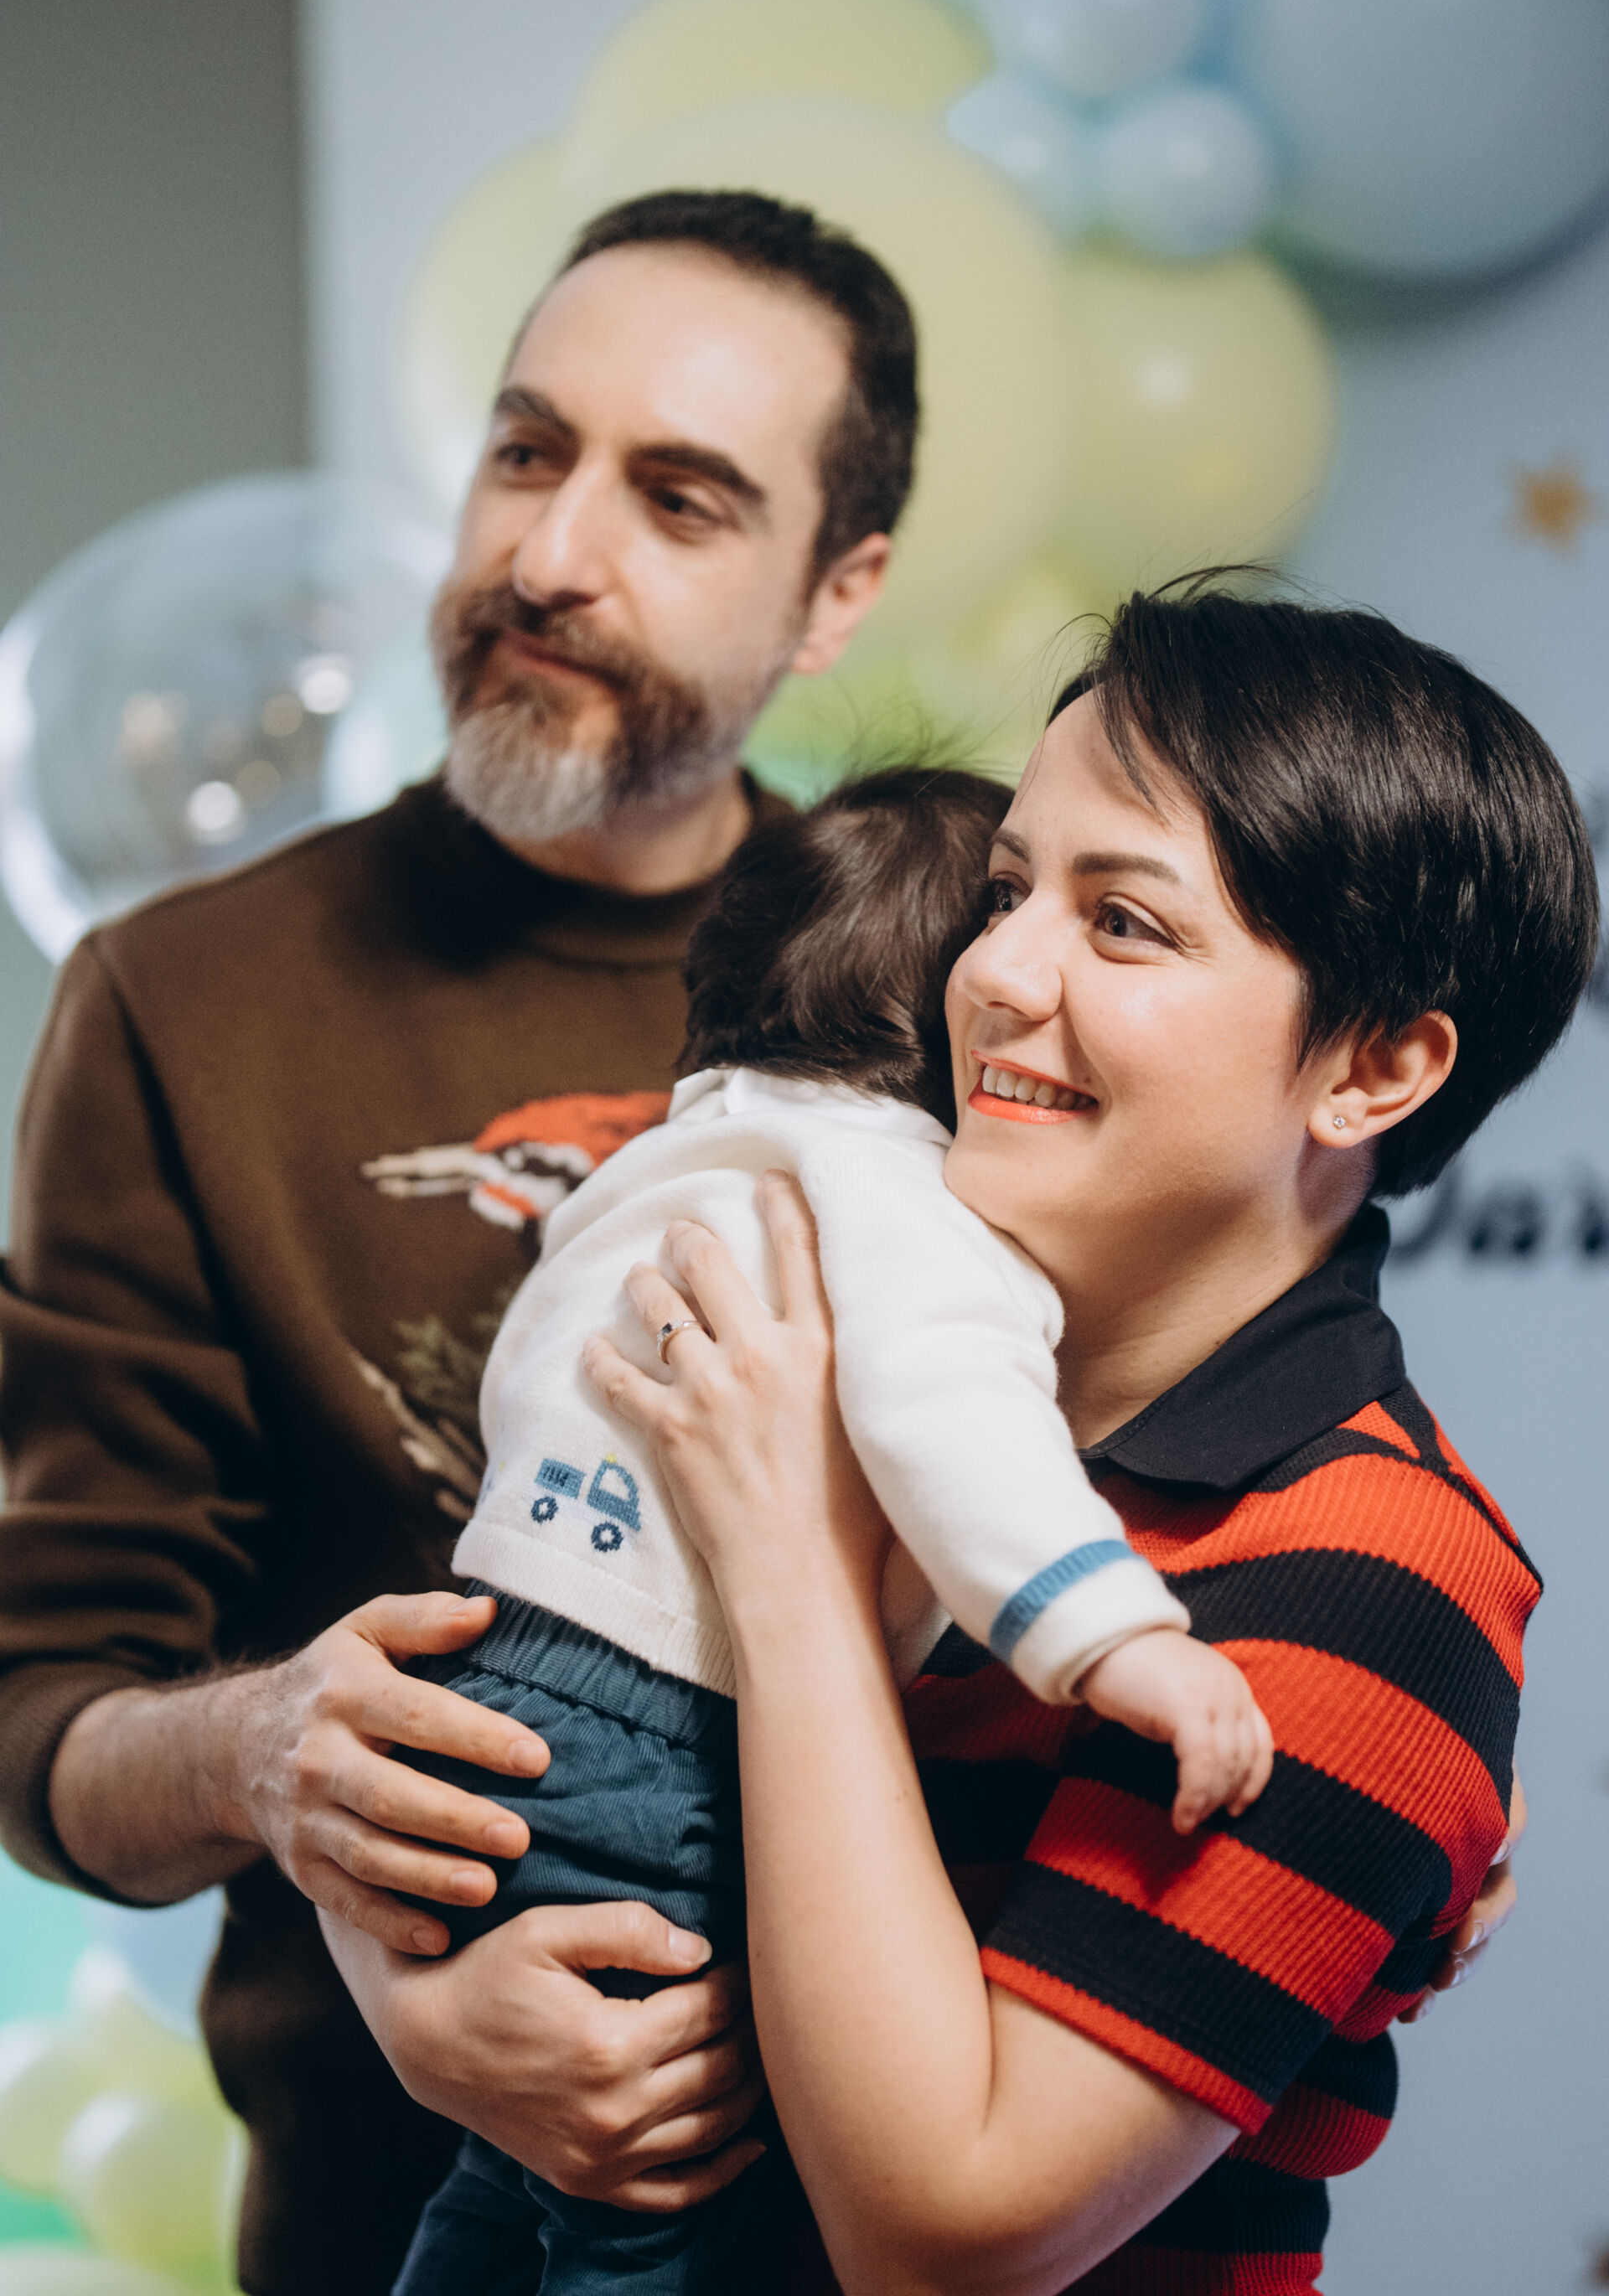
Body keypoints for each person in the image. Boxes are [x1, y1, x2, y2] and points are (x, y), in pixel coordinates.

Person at [0, 188, 915, 2296]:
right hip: (371, 2225)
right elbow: (44, 1715)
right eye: (526, 451)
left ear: (835, 592)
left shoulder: (955, 986)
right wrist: (260, 1758)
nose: (552, 554)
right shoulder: (176, 1002)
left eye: (678, 498)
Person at [577, 584, 1596, 2293]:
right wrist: (434, 2003)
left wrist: (796, 1567)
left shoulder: (1372, 1576)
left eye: (1123, 922)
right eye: (1006, 892)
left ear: (1374, 1068)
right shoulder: (861, 1349)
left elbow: (945, 2238)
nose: (991, 973)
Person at [391, 767, 1270, 2295]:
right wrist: (1114, 1636)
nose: (1021, 974)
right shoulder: (902, 1202)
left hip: (490, 1683)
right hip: (663, 1732)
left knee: (519, 2171)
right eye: (1003, 911)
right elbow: (955, 1427)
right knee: (656, 2211)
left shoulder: (667, 1161)